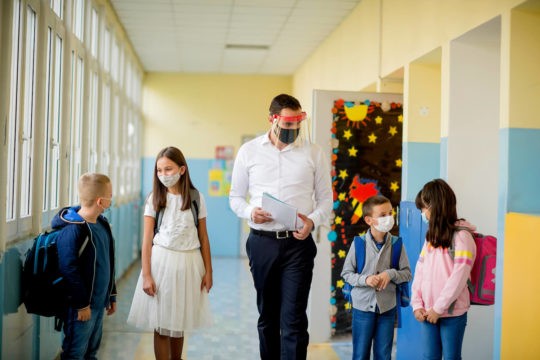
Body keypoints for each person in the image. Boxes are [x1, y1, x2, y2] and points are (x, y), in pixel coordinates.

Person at [229, 93, 333, 359]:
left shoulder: (313, 152)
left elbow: (325, 200)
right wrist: (252, 212)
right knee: (268, 315)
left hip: (298, 245)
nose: (293, 130)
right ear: (272, 119)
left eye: (297, 124)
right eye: (288, 124)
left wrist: (313, 220)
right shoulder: (249, 151)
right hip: (261, 243)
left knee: (294, 318)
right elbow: (235, 198)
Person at [127, 146, 213, 360]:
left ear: (182, 169)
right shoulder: (154, 199)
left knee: (179, 321)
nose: (163, 175)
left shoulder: (196, 198)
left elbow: (203, 237)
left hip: (189, 264)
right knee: (162, 324)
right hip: (161, 265)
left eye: (168, 169)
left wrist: (208, 271)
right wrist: (147, 275)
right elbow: (147, 241)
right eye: (159, 170)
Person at [411, 178, 477, 360]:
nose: (423, 213)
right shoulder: (430, 239)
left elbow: (459, 277)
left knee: (451, 357)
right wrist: (417, 304)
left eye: (423, 208)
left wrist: (438, 309)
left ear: (436, 205)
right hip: (427, 312)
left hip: (452, 314)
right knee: (429, 356)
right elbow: (420, 271)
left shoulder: (463, 237)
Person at [54, 173, 117, 359]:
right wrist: (81, 305)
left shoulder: (102, 224)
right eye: (110, 195)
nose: (112, 199)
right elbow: (69, 269)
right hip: (81, 308)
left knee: (91, 352)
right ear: (100, 201)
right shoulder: (74, 229)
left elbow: (108, 262)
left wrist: (111, 294)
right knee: (75, 352)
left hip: (98, 303)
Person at [341, 195, 412, 360]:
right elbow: (346, 273)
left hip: (387, 309)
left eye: (390, 213)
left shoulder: (397, 244)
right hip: (362, 308)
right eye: (382, 215)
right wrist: (365, 280)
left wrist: (391, 273)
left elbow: (407, 273)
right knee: (360, 354)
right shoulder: (358, 243)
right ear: (368, 220)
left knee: (383, 354)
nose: (389, 218)